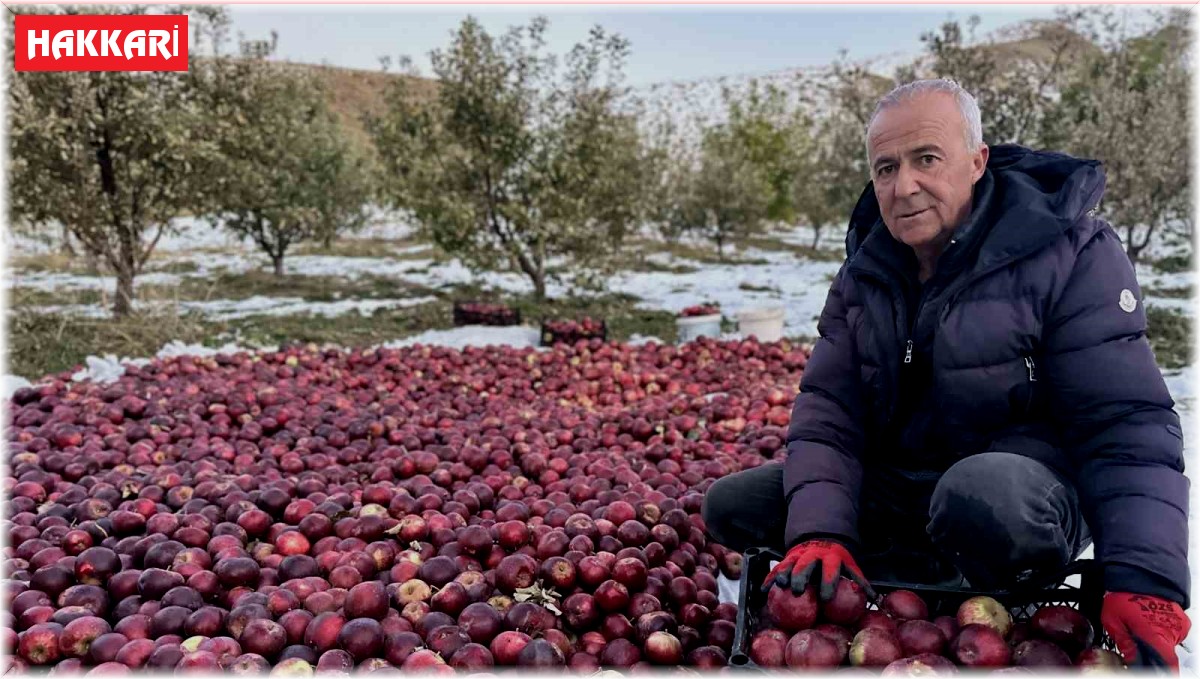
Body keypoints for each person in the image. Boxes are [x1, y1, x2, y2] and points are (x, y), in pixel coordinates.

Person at [702, 79, 1191, 669]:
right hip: (908, 489)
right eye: (885, 168)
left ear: (977, 160)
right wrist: (819, 533)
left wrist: (1143, 574)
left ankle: (980, 579)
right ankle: (912, 581)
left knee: (980, 497)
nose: (904, 185)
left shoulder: (1070, 253)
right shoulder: (867, 272)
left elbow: (1124, 420)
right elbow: (829, 414)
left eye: (926, 159)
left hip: (1026, 490)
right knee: (736, 504)